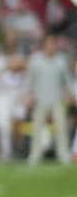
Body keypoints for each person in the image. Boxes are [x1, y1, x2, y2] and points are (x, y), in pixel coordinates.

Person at [25, 34, 72, 165]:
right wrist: (28, 95)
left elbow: (67, 81)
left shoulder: (61, 61)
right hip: (40, 99)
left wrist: (71, 94)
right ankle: (35, 155)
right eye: (49, 44)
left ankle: (63, 154)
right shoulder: (35, 61)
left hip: (57, 99)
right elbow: (29, 81)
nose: (52, 46)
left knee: (61, 127)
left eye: (54, 44)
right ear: (44, 45)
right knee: (37, 128)